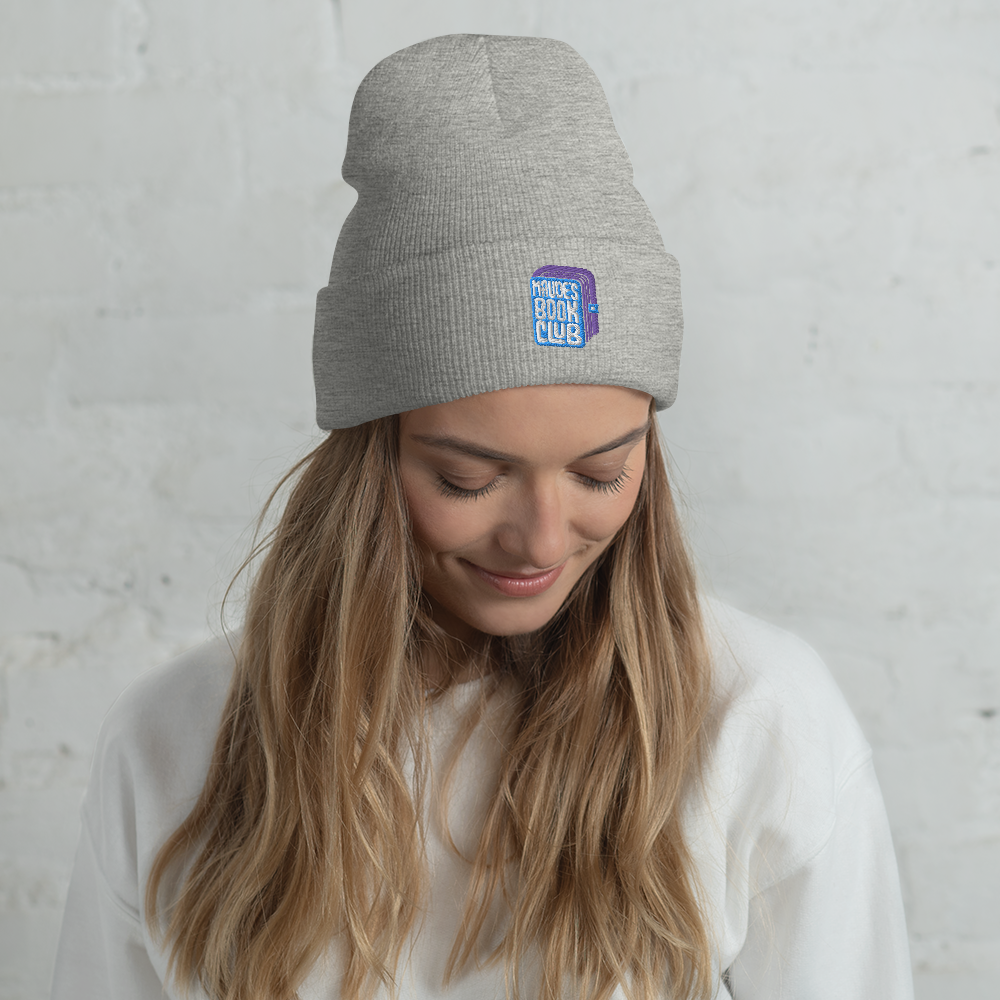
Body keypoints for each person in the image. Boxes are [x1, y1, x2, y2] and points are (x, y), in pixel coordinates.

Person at [50, 34, 914, 1000]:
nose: (541, 539)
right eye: (467, 479)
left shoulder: (760, 723)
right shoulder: (171, 744)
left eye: (601, 473)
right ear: (369, 459)